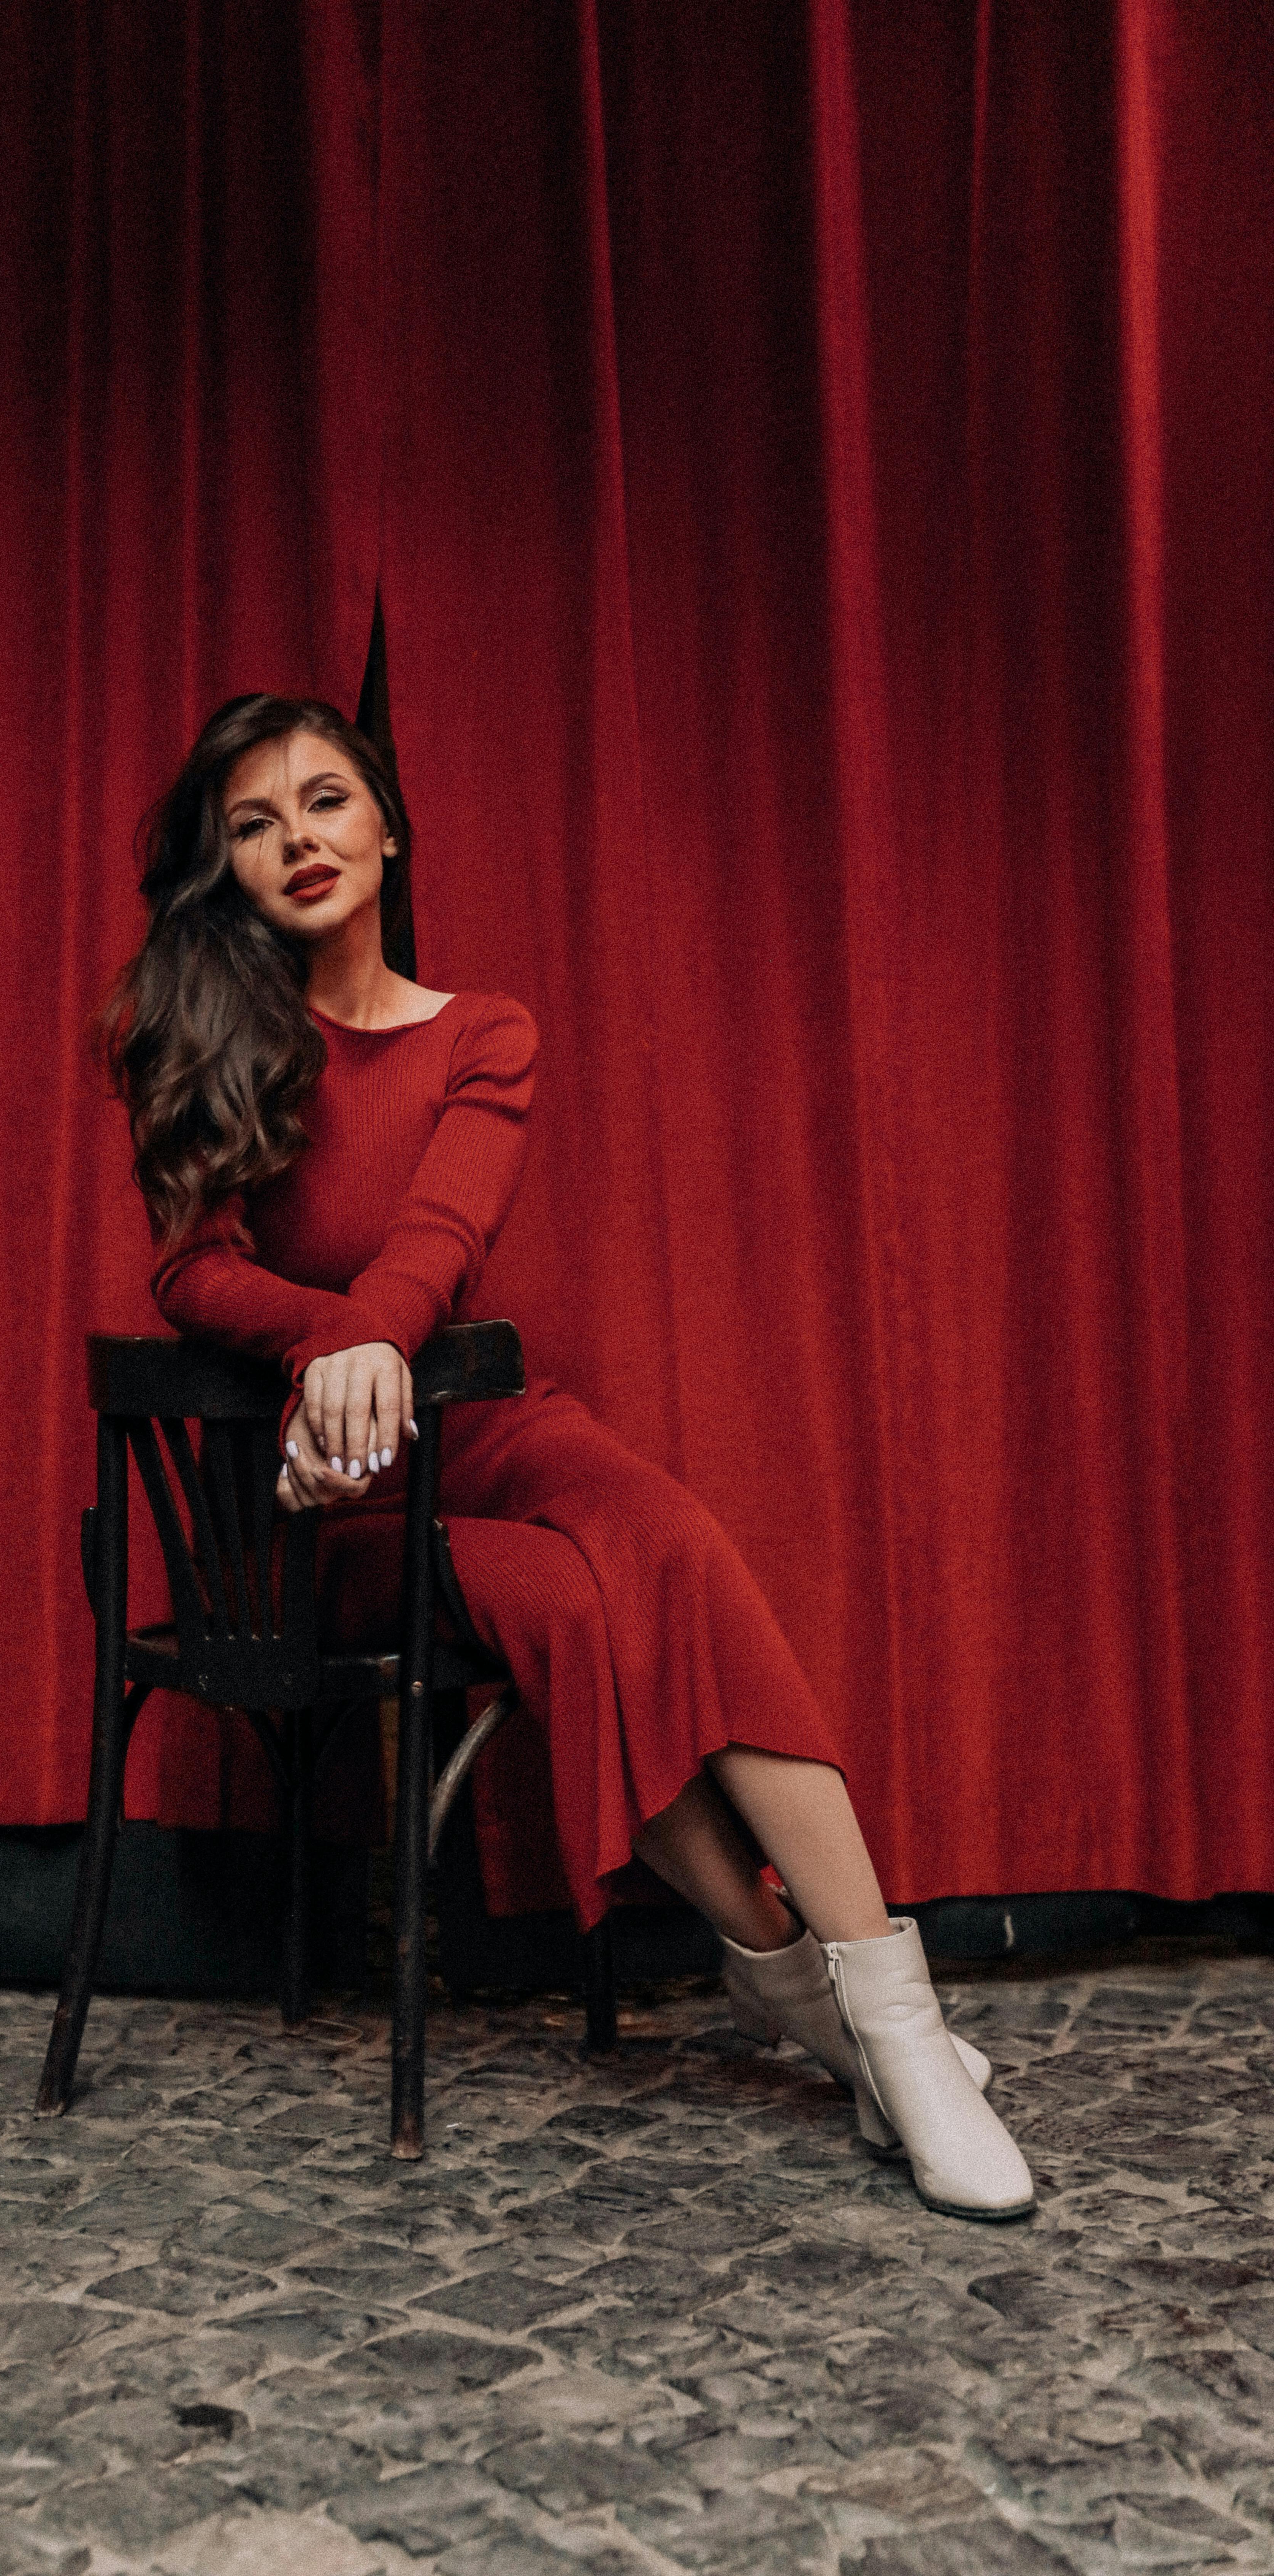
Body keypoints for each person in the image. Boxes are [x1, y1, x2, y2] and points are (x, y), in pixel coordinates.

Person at [97, 692, 1034, 2223]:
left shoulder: (487, 1031)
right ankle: (819, 2009)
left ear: (386, 826)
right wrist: (331, 1352)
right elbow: (190, 1275)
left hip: (483, 1429)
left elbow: (442, 1238)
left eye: (323, 803)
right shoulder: (198, 1032)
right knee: (567, 1612)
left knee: (664, 1542)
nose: (296, 844)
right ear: (229, 867)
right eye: (253, 826)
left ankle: (895, 2019)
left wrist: (369, 1342)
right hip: (335, 1504)